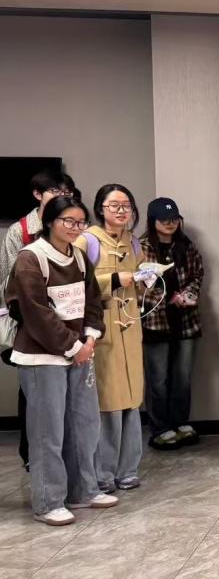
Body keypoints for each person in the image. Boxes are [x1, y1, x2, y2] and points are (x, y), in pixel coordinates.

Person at [4, 195, 118, 525]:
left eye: (80, 222)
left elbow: (92, 302)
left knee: (84, 424)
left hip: (80, 351)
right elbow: (36, 313)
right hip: (42, 357)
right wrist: (73, 346)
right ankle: (48, 500)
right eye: (68, 221)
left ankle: (83, 489)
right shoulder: (31, 258)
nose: (75, 227)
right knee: (48, 431)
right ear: (50, 222)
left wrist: (91, 337)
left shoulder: (79, 257)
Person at [0, 170, 78, 469]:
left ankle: (66, 456)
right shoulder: (20, 231)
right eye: (55, 191)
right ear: (37, 194)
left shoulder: (73, 228)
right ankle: (32, 455)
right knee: (33, 393)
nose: (62, 197)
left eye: (67, 192)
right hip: (31, 323)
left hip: (69, 321)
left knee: (67, 393)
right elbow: (9, 281)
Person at [81, 184, 150, 492]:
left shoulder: (133, 242)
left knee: (132, 399)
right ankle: (103, 473)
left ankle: (128, 470)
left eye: (126, 206)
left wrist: (148, 276)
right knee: (108, 401)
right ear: (101, 209)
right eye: (115, 206)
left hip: (130, 327)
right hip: (103, 328)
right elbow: (75, 282)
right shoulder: (88, 240)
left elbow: (140, 276)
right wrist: (112, 279)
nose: (122, 211)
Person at [140, 197, 204, 451]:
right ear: (152, 220)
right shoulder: (141, 247)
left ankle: (180, 423)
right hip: (155, 322)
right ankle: (160, 428)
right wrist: (167, 298)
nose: (170, 223)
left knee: (182, 378)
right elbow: (138, 283)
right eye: (164, 219)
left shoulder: (186, 245)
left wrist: (187, 294)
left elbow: (198, 274)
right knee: (157, 380)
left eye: (174, 219)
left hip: (186, 321)